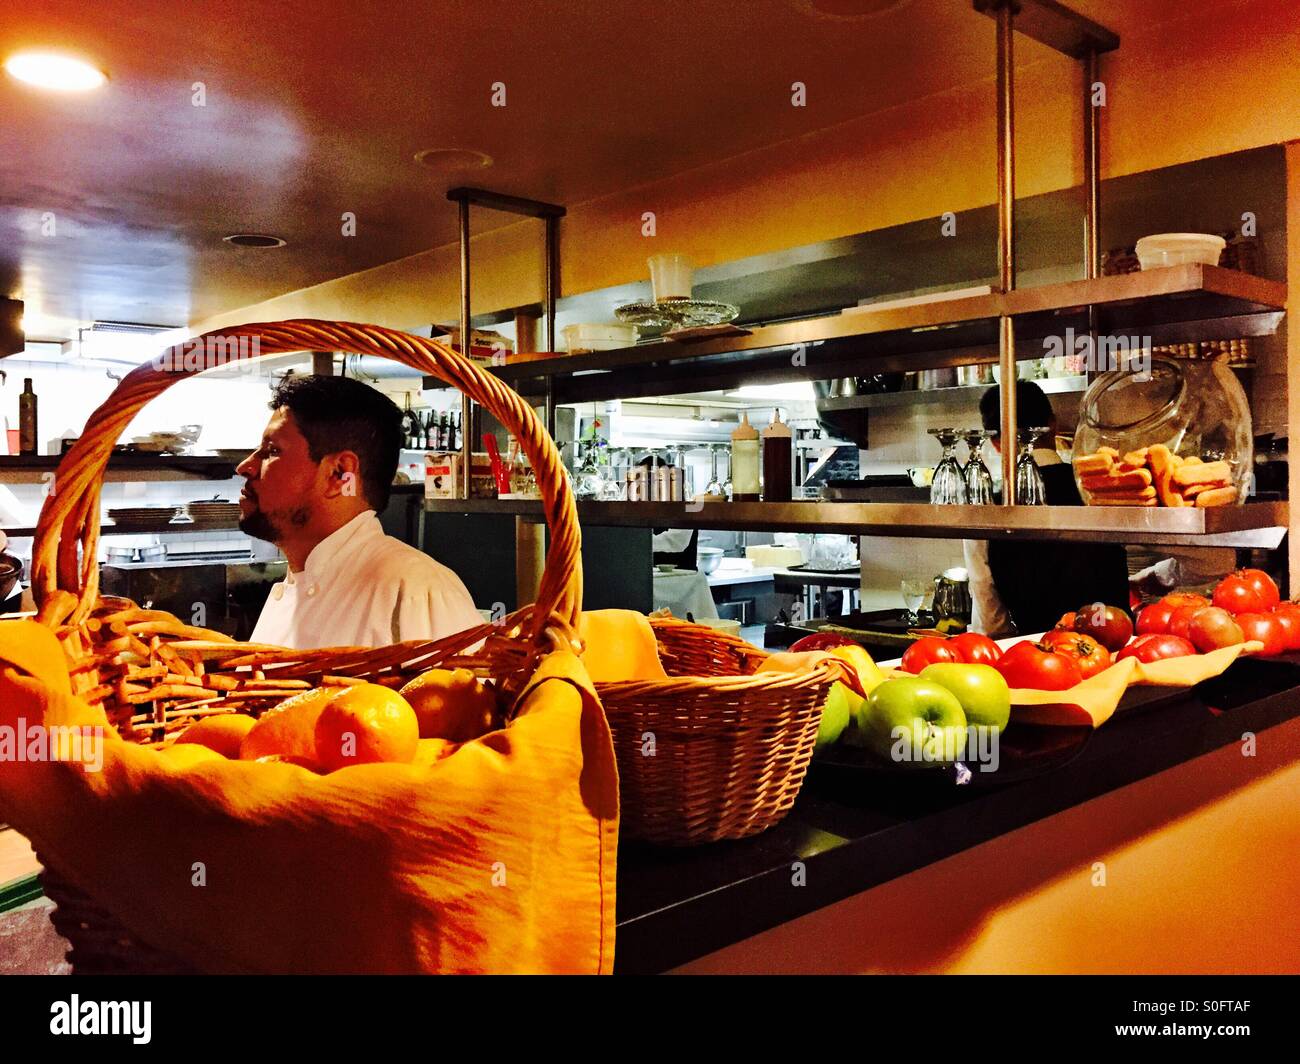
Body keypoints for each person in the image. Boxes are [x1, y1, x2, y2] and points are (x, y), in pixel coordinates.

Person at [238, 374, 481, 649]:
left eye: (271, 451)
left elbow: (461, 690)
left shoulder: (416, 589)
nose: (245, 466)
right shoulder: (289, 589)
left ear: (339, 474)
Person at [962, 381, 1130, 636]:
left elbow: (988, 609)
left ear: (995, 443)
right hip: (1115, 646)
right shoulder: (1100, 489)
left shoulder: (985, 509)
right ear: (1053, 424)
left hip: (1040, 652)